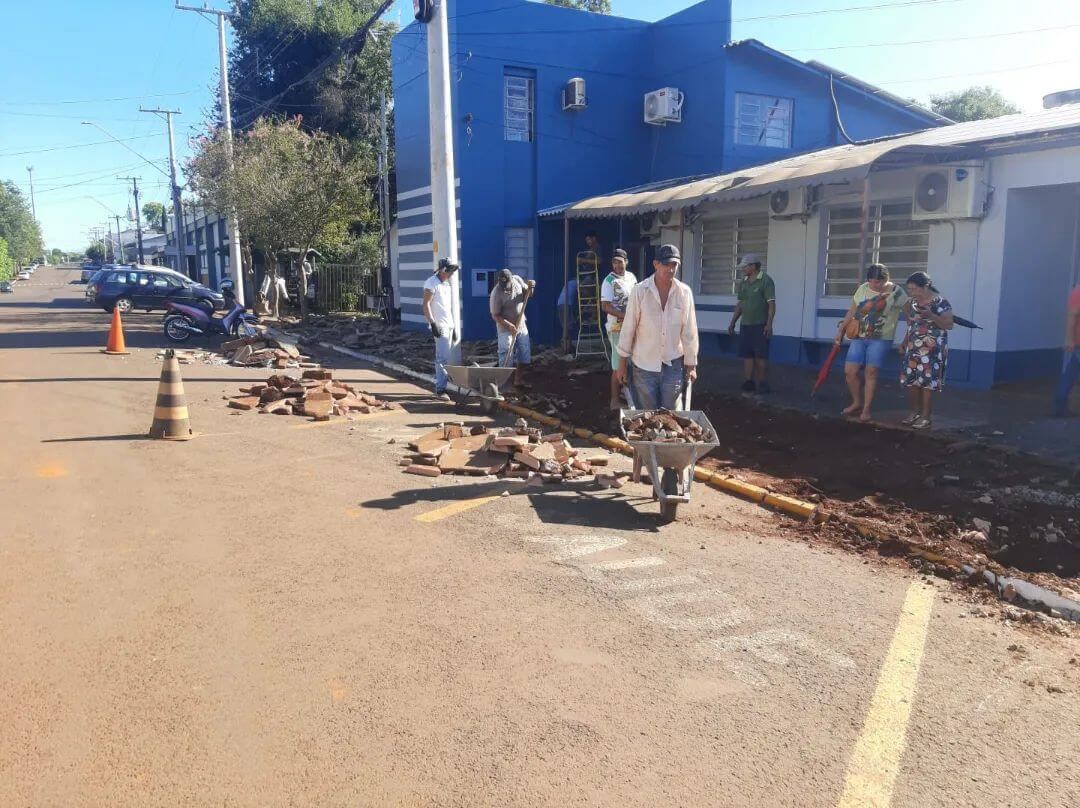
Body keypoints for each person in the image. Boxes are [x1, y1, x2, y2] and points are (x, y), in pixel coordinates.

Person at [615, 244, 698, 410]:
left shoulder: (684, 293)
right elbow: (628, 329)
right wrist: (622, 364)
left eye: (674, 265)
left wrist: (691, 365)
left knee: (673, 415)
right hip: (643, 365)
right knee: (647, 416)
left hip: (672, 364)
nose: (670, 269)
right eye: (666, 264)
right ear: (655, 264)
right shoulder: (640, 291)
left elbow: (689, 331)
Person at [835, 263, 906, 422]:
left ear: (886, 279)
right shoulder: (863, 289)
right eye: (873, 281)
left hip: (881, 338)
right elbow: (852, 311)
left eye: (880, 282)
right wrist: (841, 331)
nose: (877, 285)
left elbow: (909, 314)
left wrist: (907, 337)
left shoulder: (897, 292)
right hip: (860, 336)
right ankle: (856, 402)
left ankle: (866, 408)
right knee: (850, 371)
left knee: (871, 372)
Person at [899, 271, 954, 429]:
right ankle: (914, 412)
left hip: (932, 348)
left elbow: (949, 324)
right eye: (909, 289)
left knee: (927, 381)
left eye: (915, 289)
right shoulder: (913, 303)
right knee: (913, 380)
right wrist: (904, 341)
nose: (912, 292)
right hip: (914, 346)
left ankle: (926, 416)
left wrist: (931, 315)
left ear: (926, 286)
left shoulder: (941, 303)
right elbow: (912, 324)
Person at [727, 253, 776, 394]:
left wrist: (769, 324)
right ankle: (749, 381)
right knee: (747, 355)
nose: (742, 269)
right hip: (746, 324)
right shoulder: (743, 283)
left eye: (745, 267)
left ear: (753, 266)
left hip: (760, 324)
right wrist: (733, 323)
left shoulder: (766, 281)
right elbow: (740, 304)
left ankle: (763, 382)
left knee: (761, 356)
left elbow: (771, 305)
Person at [600, 248, 638, 409]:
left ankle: (626, 394)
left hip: (631, 326)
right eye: (614, 262)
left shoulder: (631, 277)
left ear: (626, 262)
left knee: (630, 362)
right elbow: (605, 306)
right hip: (616, 328)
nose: (617, 265)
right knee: (617, 364)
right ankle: (614, 400)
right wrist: (624, 315)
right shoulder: (609, 281)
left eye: (620, 262)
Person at [422, 258, 461, 402]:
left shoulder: (446, 284)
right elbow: (426, 305)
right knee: (442, 358)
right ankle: (440, 389)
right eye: (450, 270)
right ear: (443, 269)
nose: (451, 274)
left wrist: (453, 326)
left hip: (448, 325)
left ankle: (442, 385)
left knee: (445, 358)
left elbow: (446, 307)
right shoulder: (431, 283)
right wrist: (432, 324)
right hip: (440, 326)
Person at [490, 267, 536, 386]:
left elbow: (528, 295)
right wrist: (509, 325)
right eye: (503, 285)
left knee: (524, 354)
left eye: (507, 285)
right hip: (505, 327)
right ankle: (504, 385)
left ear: (511, 279)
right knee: (506, 354)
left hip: (521, 324)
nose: (505, 289)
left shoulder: (517, 281)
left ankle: (518, 380)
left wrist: (531, 287)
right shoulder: (496, 293)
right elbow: (495, 315)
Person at [1051, 281, 1080, 416]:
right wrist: (1069, 339)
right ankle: (1058, 406)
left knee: (1071, 372)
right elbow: (1072, 315)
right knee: (1070, 373)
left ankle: (1059, 406)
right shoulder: (1078, 292)